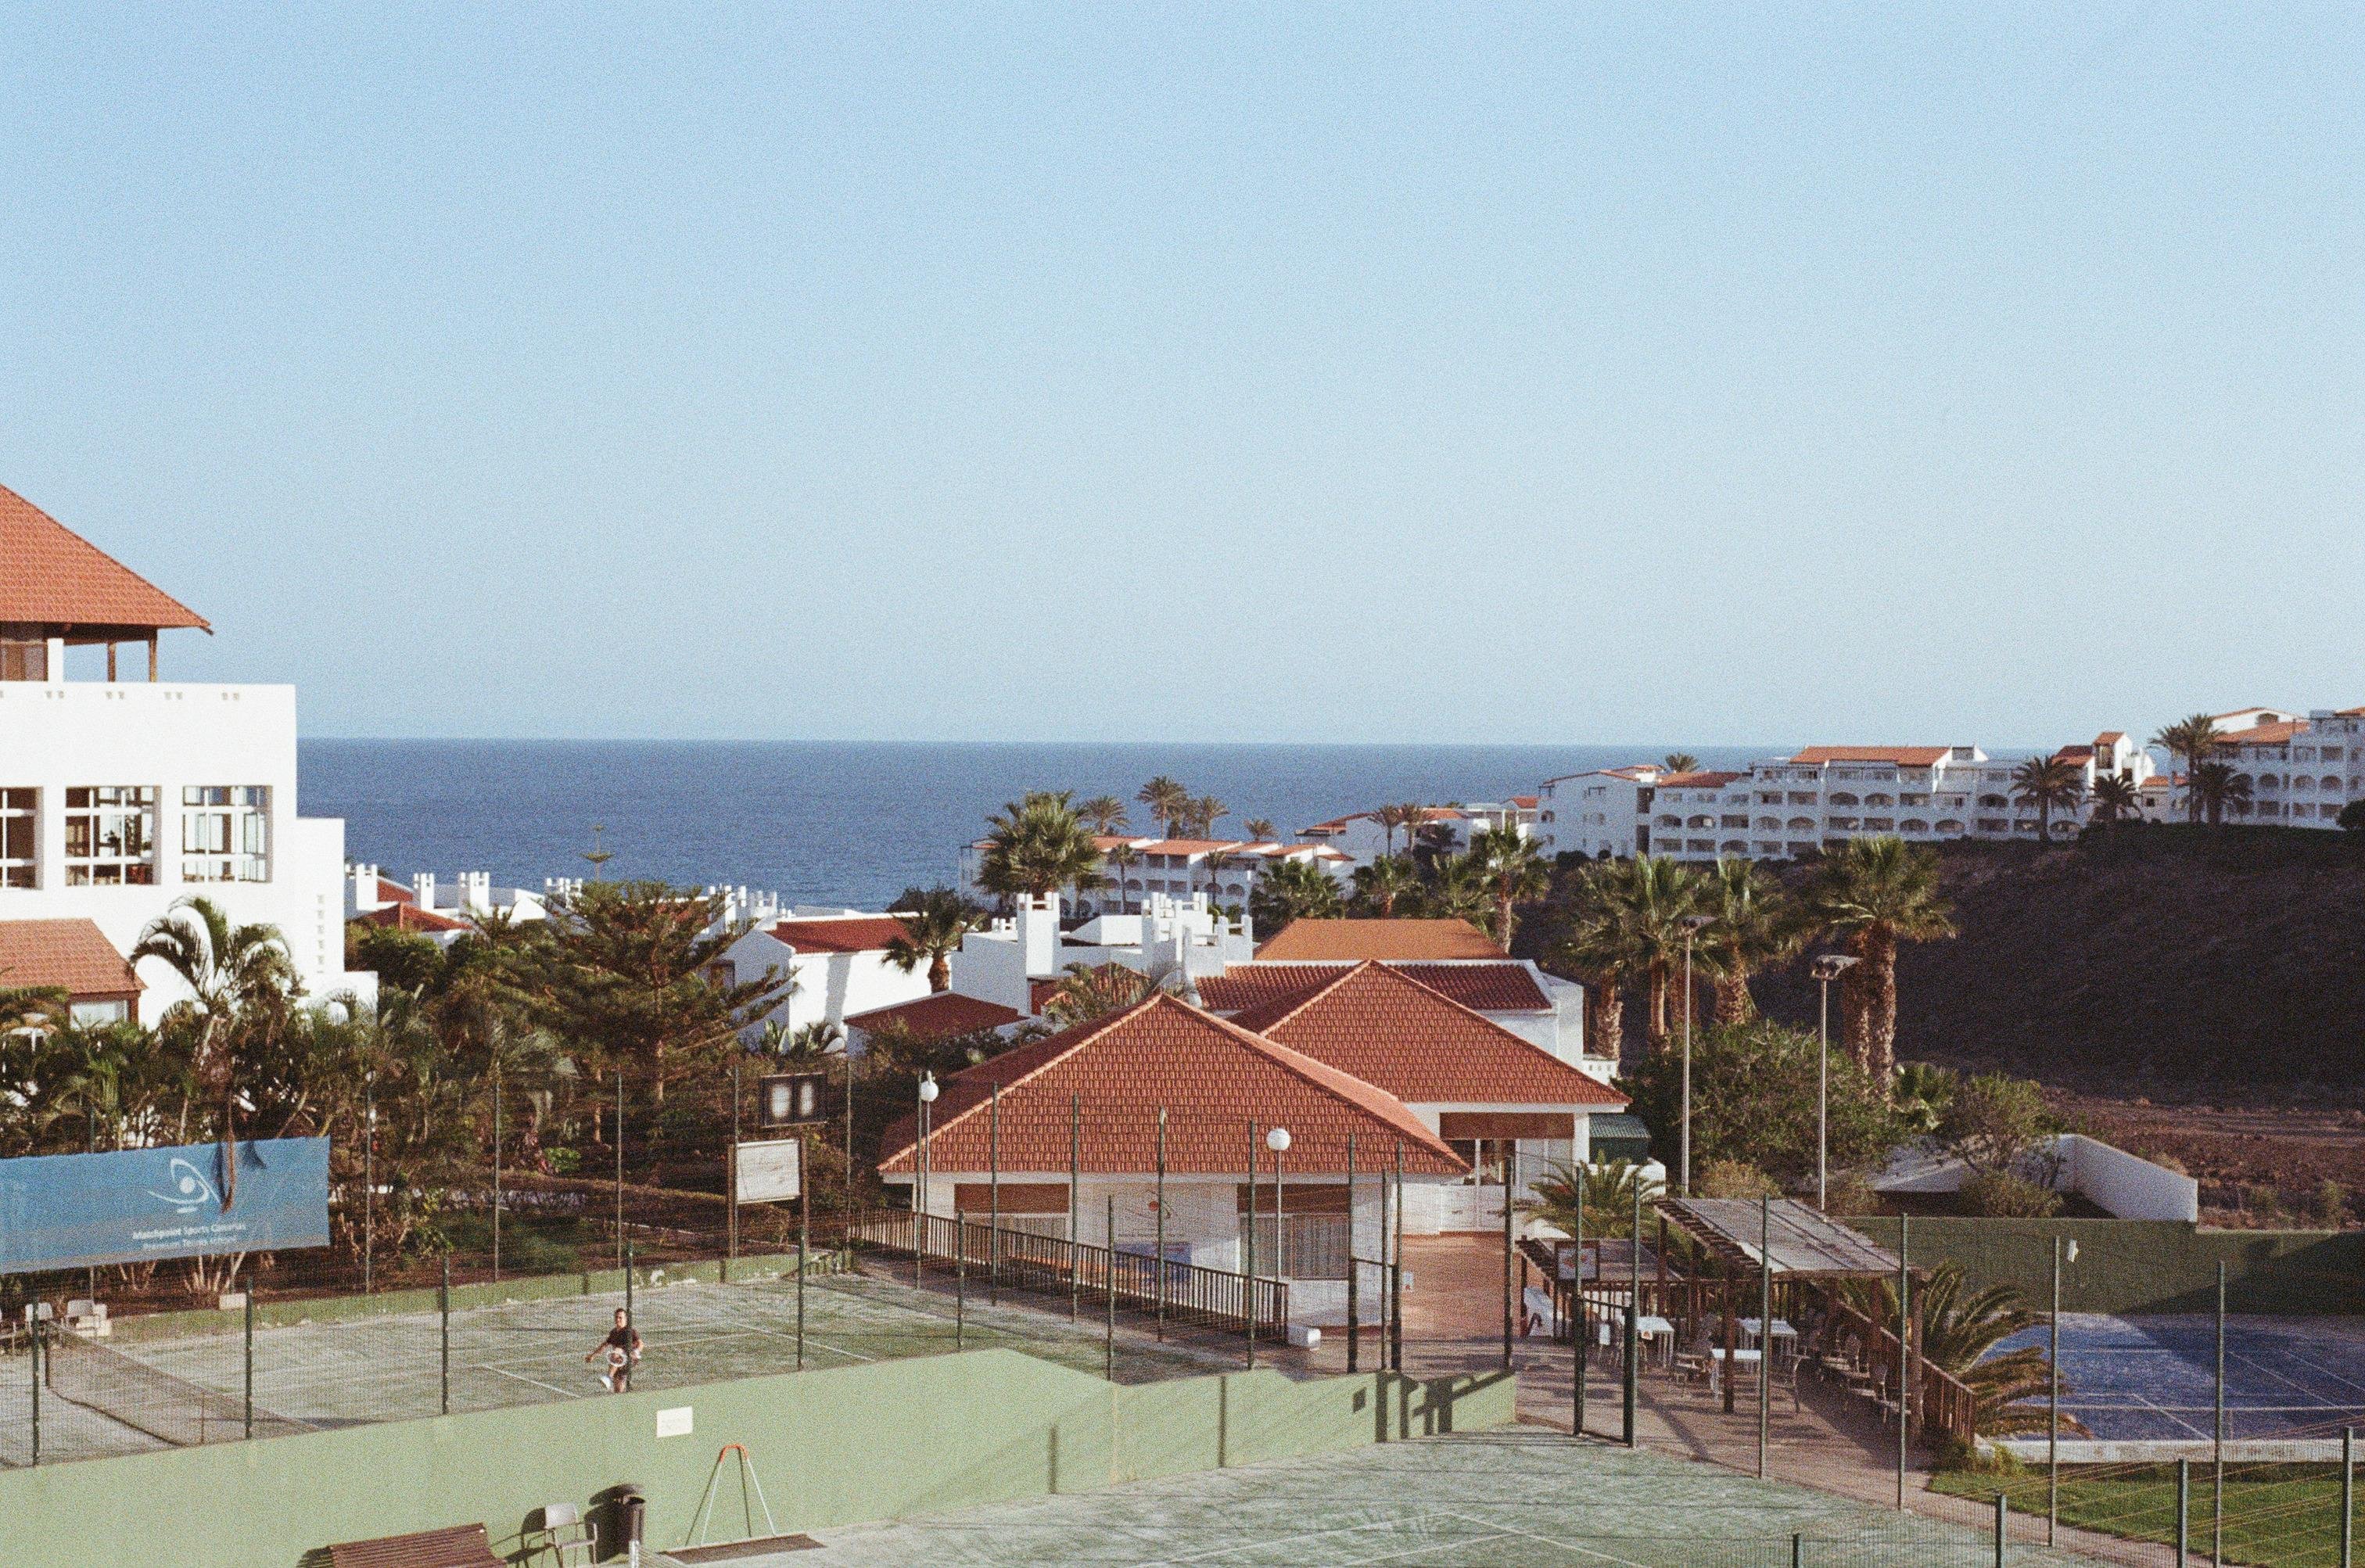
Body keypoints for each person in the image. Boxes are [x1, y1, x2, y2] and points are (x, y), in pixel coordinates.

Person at [587, 1307, 643, 1393]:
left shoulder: (629, 1331)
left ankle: (608, 1377)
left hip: (630, 1358)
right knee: (618, 1389)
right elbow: (604, 1345)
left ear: (626, 1319)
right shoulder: (614, 1332)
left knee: (617, 1350)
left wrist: (636, 1352)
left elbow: (641, 1344)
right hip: (619, 1360)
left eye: (620, 1317)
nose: (618, 1319)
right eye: (616, 1317)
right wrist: (593, 1355)